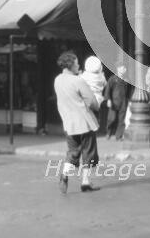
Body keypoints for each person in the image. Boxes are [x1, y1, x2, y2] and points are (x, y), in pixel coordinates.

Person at [53, 51, 100, 194]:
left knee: (73, 152)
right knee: (88, 153)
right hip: (85, 122)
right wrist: (98, 104)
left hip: (69, 123)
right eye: (77, 62)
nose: (79, 65)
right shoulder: (78, 80)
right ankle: (85, 182)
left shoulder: (58, 80)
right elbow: (91, 101)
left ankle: (64, 175)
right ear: (71, 65)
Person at [104, 61, 131, 141]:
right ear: (118, 69)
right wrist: (108, 99)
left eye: (125, 68)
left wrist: (129, 100)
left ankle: (118, 136)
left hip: (124, 102)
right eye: (123, 67)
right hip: (114, 101)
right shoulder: (112, 79)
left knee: (121, 119)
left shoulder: (127, 79)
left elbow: (129, 90)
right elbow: (108, 90)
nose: (125, 69)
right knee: (111, 119)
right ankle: (108, 132)